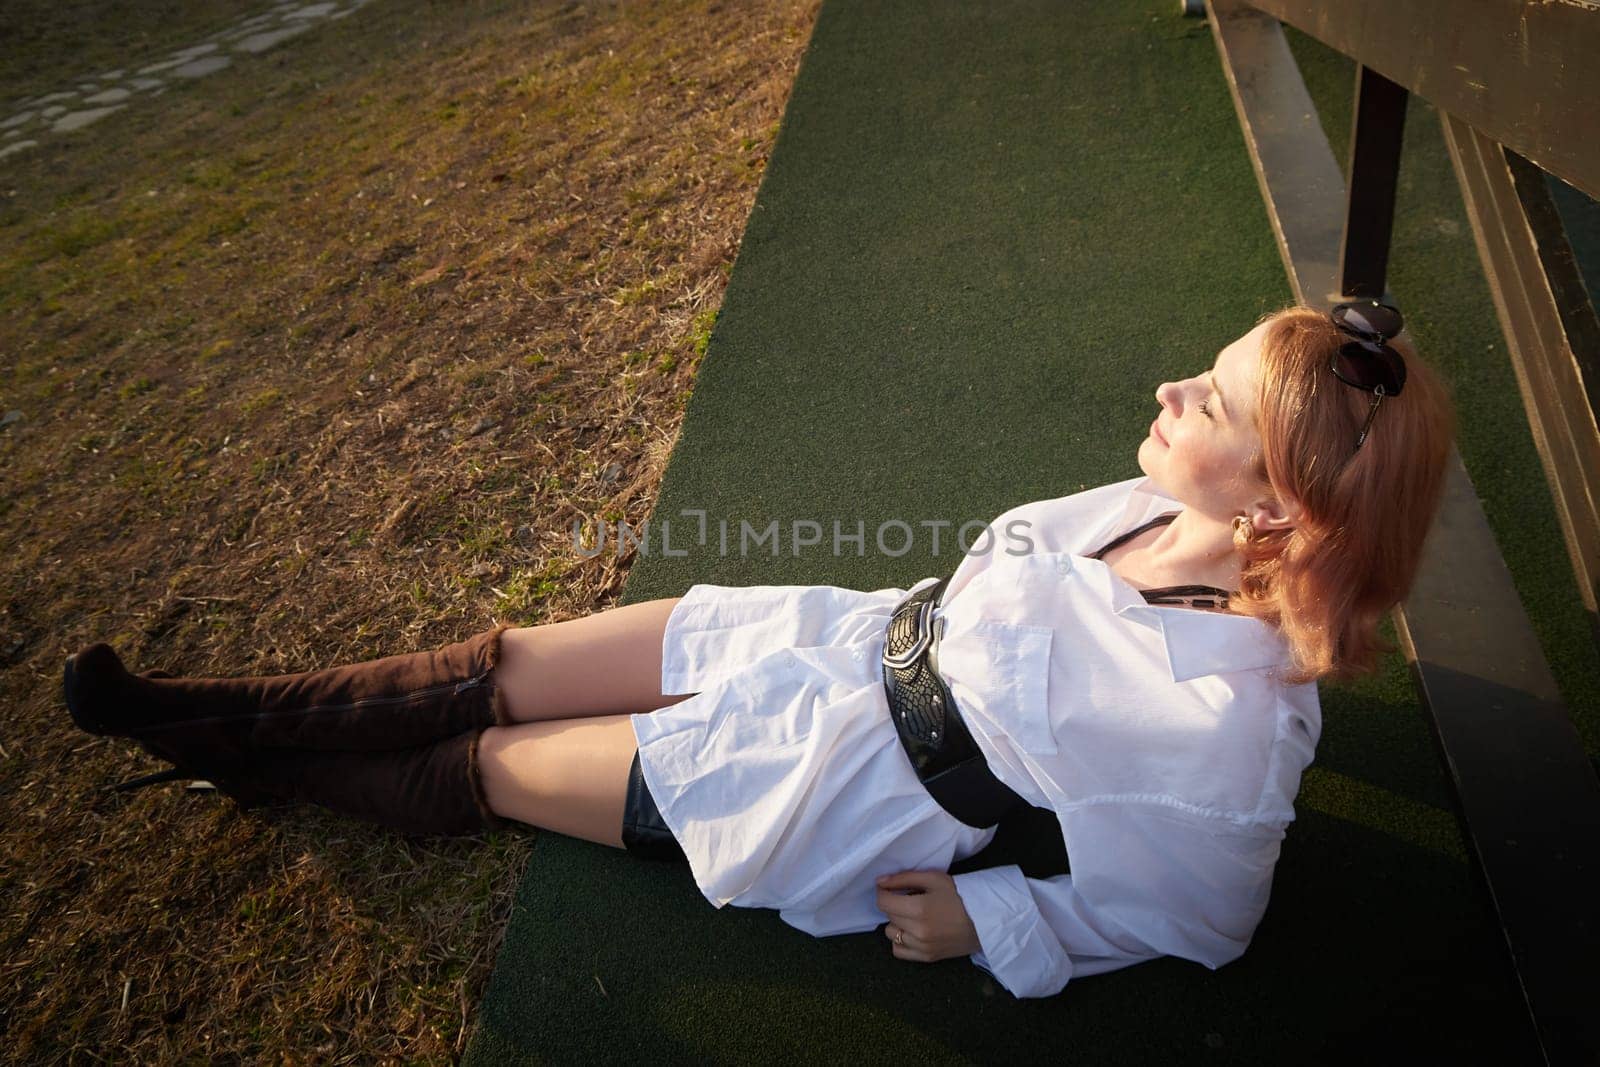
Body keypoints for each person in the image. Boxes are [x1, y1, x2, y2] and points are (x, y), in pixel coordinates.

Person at [62, 301, 1454, 999]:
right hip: (836, 638)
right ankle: (206, 715)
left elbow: (1211, 920)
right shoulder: (1161, 498)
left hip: (834, 787)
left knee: (492, 759)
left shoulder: (1230, 722)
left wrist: (998, 924)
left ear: (1276, 501)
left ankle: (262, 772)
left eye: (1204, 398)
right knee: (509, 657)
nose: (1167, 389)